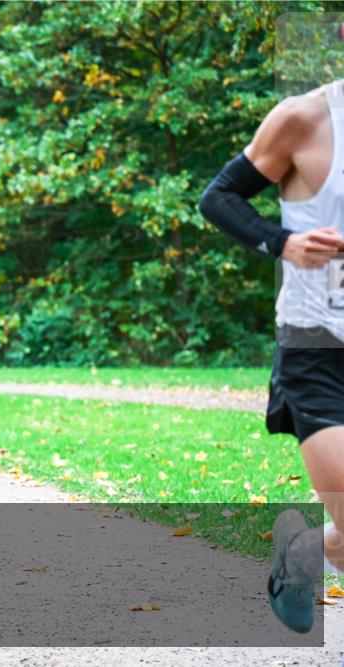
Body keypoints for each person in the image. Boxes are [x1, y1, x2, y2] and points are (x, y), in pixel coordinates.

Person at [199, 78, 344, 633]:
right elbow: (217, 197)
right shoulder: (304, 118)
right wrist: (283, 242)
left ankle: (304, 556)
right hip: (316, 348)